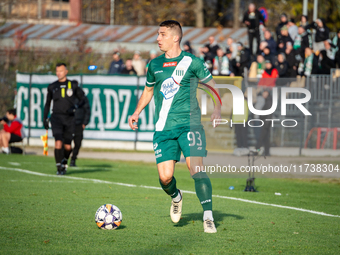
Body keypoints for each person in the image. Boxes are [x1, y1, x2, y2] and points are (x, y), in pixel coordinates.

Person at [128, 20, 221, 233]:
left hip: (190, 125)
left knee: (196, 168)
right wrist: (136, 112)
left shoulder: (193, 62)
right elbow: (149, 91)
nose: (158, 38)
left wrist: (217, 109)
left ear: (175, 37)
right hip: (163, 129)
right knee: (165, 177)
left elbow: (212, 86)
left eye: (162, 34)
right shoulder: (154, 65)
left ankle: (208, 216)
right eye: (158, 34)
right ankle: (176, 197)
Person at [43, 63, 85, 175]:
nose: (58, 73)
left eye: (60, 71)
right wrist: (45, 118)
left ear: (66, 71)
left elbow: (82, 99)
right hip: (56, 118)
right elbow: (47, 103)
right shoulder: (52, 86)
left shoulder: (73, 85)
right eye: (57, 71)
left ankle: (65, 161)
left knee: (67, 146)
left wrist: (75, 106)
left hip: (69, 118)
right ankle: (59, 167)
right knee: (58, 142)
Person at [70, 93, 91, 167]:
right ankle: (63, 160)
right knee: (66, 143)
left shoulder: (82, 98)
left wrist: (85, 123)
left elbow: (87, 111)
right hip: (69, 124)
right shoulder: (68, 97)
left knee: (78, 143)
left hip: (79, 124)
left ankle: (73, 159)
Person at [255, 89, 272, 156]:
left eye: (265, 93)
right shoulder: (267, 101)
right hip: (266, 123)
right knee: (266, 139)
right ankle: (267, 152)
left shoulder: (269, 102)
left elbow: (268, 114)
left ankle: (257, 151)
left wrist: (266, 123)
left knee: (260, 138)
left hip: (265, 123)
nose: (263, 94)